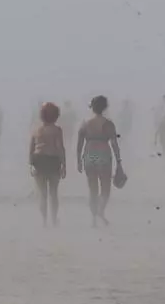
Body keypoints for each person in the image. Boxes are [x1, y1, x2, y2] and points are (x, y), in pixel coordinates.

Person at [77, 96, 123, 227]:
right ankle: (100, 211)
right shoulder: (108, 124)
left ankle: (93, 218)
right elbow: (114, 144)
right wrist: (119, 161)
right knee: (105, 188)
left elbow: (79, 143)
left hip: (90, 153)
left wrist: (78, 160)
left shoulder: (85, 123)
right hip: (103, 154)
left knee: (92, 189)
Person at [29, 102, 66, 227]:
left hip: (39, 160)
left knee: (42, 194)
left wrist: (31, 164)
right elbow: (60, 148)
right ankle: (54, 220)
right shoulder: (57, 130)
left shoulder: (36, 130)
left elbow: (31, 149)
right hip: (53, 160)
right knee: (53, 193)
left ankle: (44, 221)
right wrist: (64, 165)